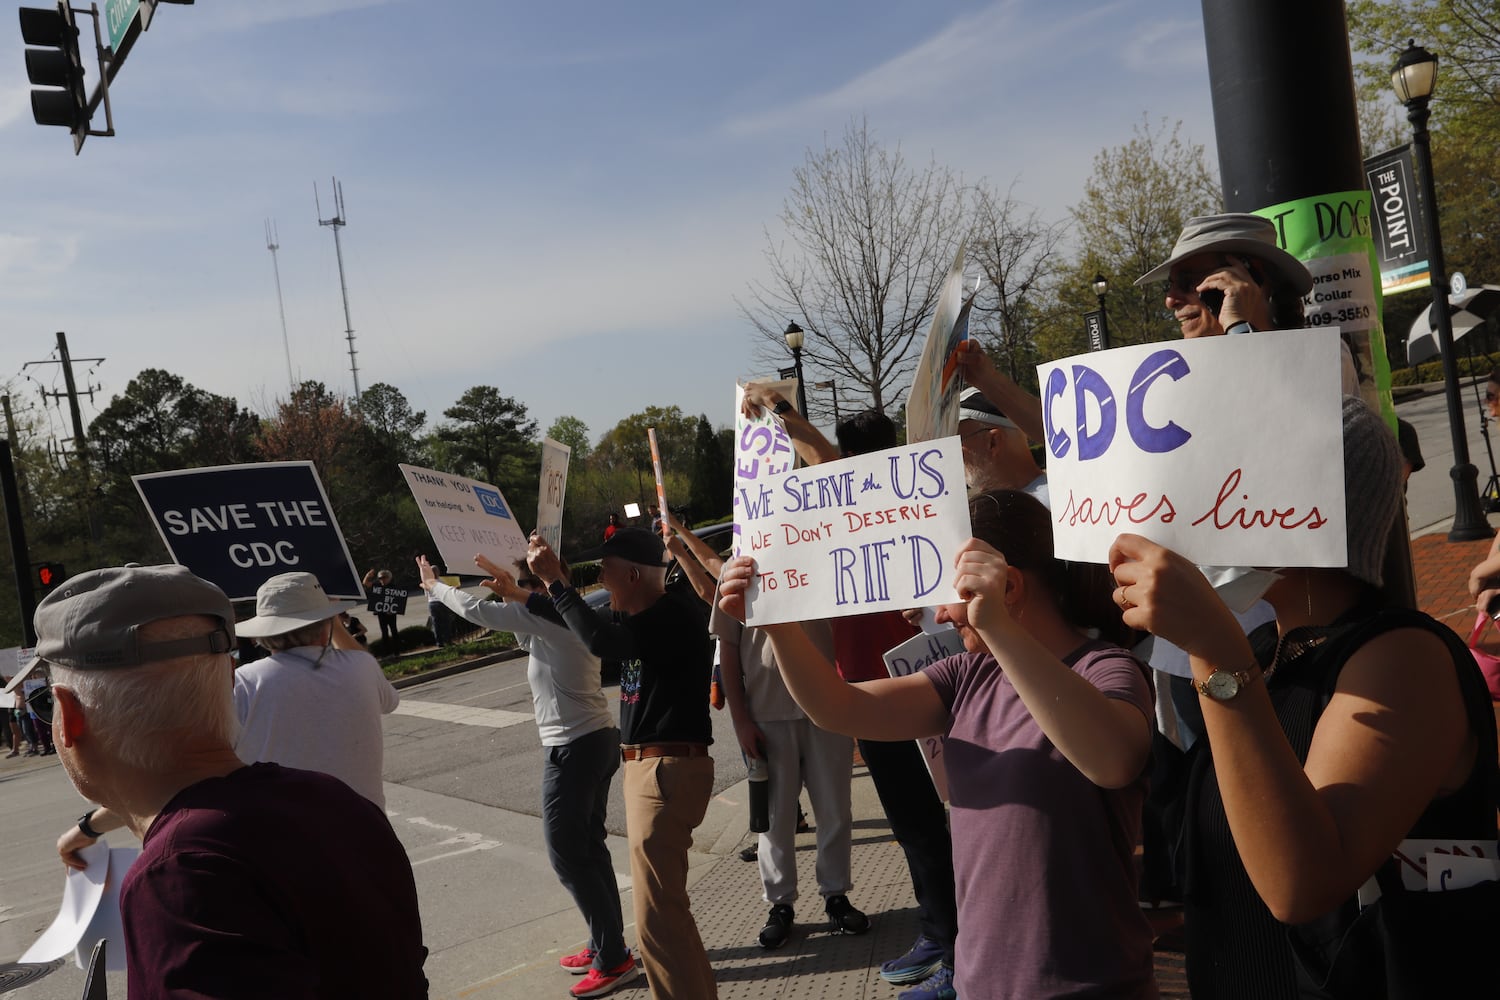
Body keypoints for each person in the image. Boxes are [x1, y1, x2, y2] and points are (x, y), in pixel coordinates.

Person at [1109, 396, 1499, 999]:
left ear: (1301, 509)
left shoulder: (1402, 657)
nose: (1213, 509)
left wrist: (1212, 646)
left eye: (1236, 485)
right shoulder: (1267, 648)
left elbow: (1302, 884)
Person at [718, 489, 1158, 999]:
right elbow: (838, 707)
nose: (941, 615)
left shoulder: (1106, 670)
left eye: (946, 591)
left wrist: (996, 627)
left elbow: (1113, 759)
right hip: (981, 984)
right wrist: (776, 624)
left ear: (1008, 586)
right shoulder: (967, 673)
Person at [39, 564, 428, 999]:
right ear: (226, 678)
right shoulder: (344, 804)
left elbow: (184, 768)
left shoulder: (181, 873)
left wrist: (88, 827)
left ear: (68, 717)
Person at [738, 393, 960, 1000]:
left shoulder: (901, 505)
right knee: (916, 824)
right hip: (870, 691)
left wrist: (785, 416)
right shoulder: (848, 517)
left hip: (916, 683)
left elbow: (829, 465)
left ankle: (954, 944)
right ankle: (942, 932)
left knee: (934, 823)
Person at [417, 553, 636, 998]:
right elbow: (520, 636)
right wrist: (510, 591)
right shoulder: (562, 616)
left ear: (548, 583)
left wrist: (434, 587)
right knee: (589, 850)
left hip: (574, 748)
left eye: (528, 583)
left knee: (568, 856)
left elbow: (476, 611)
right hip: (592, 740)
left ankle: (614, 958)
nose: (522, 590)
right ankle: (606, 943)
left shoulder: (550, 614)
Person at [528, 527, 717, 1000]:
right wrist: (524, 590)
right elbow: (580, 625)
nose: (600, 579)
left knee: (659, 921)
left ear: (633, 575)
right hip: (652, 769)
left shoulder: (668, 616)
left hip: (664, 770)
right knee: (664, 916)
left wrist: (555, 580)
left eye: (605, 569)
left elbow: (597, 640)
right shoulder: (644, 618)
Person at [710, 602, 869, 950]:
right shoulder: (736, 574)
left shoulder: (823, 564)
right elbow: (728, 646)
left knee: (835, 810)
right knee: (774, 819)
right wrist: (740, 720)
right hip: (766, 713)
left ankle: (836, 895)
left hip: (828, 705)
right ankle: (780, 904)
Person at [231, 571, 400, 808]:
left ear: (264, 631)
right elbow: (389, 701)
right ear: (325, 625)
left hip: (284, 825)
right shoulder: (362, 665)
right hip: (367, 822)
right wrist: (333, 622)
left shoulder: (244, 682)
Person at [363, 567, 401, 645]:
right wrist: (368, 576)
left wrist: (393, 610)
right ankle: (386, 649)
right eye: (380, 578)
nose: (382, 580)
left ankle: (397, 648)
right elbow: (365, 583)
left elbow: (399, 601)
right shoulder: (377, 586)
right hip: (381, 613)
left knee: (394, 630)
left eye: (384, 577)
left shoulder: (393, 587)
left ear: (389, 578)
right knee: (384, 631)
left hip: (391, 613)